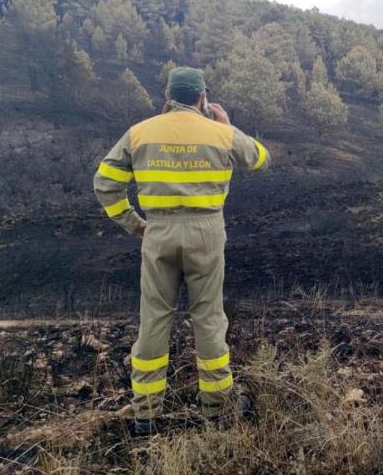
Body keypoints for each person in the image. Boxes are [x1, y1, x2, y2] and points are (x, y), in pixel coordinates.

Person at [93, 66, 270, 434]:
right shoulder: (219, 133)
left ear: (167, 97)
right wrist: (227, 125)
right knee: (208, 316)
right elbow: (259, 158)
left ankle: (145, 413)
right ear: (203, 99)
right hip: (206, 232)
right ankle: (218, 408)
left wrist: (134, 223)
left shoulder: (139, 133)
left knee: (155, 317)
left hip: (157, 231)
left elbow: (105, 184)